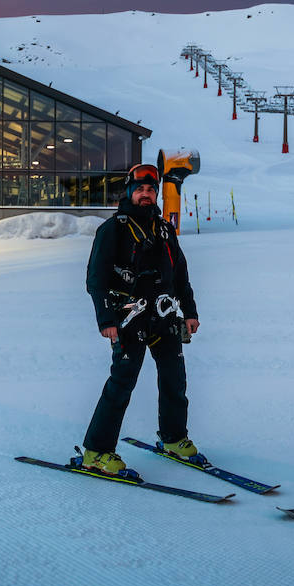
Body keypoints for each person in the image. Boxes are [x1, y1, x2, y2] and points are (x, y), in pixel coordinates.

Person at [81, 163, 201, 477]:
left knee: (175, 380)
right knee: (122, 384)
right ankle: (96, 451)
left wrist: (190, 312)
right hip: (128, 319)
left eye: (151, 190)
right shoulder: (113, 229)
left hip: (163, 317)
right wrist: (105, 319)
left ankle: (173, 438)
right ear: (130, 193)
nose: (146, 195)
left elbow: (180, 275)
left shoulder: (163, 229)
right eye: (140, 190)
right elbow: (95, 279)